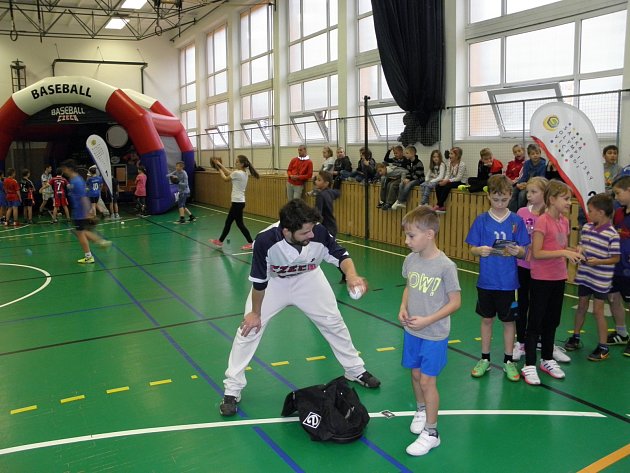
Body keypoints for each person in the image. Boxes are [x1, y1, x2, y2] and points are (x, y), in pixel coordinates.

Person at [219, 199, 381, 417]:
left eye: (312, 230)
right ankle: (232, 389)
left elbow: (341, 255)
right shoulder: (265, 242)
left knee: (333, 322)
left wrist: (351, 275)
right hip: (274, 283)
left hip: (308, 279)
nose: (311, 235)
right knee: (248, 330)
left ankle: (354, 370)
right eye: (305, 233)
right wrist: (255, 314)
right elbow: (259, 283)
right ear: (286, 230)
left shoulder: (319, 232)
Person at [399, 206, 461, 456]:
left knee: (427, 380)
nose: (406, 241)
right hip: (412, 331)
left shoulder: (446, 266)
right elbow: (408, 287)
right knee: (415, 375)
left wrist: (428, 320)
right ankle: (421, 410)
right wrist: (403, 307)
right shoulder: (411, 260)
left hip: (434, 334)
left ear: (430, 234)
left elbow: (455, 302)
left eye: (411, 236)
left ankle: (432, 432)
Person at [465, 175, 529, 382]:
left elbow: (524, 253)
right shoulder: (482, 220)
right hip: (486, 281)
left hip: (508, 283)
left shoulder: (516, 221)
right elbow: (472, 248)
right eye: (495, 199)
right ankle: (484, 359)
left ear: (511, 195)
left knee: (509, 322)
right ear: (489, 196)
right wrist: (479, 250)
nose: (500, 204)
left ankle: (509, 361)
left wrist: (517, 250)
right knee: (486, 319)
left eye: (504, 199)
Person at [521, 180, 583, 385]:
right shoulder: (542, 221)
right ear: (552, 199)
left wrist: (574, 250)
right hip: (541, 279)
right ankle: (529, 364)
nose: (570, 202)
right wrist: (564, 252)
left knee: (552, 321)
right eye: (566, 198)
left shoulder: (564, 221)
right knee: (536, 322)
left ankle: (547, 359)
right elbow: (537, 253)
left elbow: (559, 245)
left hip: (559, 277)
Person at [564, 193, 620, 361]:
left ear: (601, 212)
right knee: (581, 305)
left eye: (591, 210)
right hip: (586, 275)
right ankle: (575, 337)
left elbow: (615, 258)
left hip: (600, 279)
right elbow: (583, 244)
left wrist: (600, 262)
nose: (588, 213)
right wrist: (579, 249)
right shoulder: (587, 227)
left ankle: (603, 347)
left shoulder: (612, 235)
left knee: (597, 311)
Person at [513, 177, 548, 362]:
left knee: (539, 305)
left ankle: (538, 339)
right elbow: (517, 237)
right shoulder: (521, 211)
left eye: (534, 192)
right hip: (522, 266)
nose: (529, 195)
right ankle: (520, 342)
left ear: (544, 193)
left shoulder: (548, 215)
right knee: (522, 304)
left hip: (541, 268)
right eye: (528, 192)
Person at [59, 159, 111, 264]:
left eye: (64, 169)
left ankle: (89, 256)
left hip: (80, 212)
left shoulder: (77, 181)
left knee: (80, 233)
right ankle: (101, 242)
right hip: (78, 211)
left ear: (69, 169)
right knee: (82, 232)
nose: (63, 171)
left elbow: (83, 198)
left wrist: (88, 212)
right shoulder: (74, 180)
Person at [209, 155, 259, 250]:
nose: (235, 163)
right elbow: (230, 173)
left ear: (242, 164)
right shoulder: (243, 173)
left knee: (234, 223)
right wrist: (219, 164)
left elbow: (225, 178)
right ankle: (220, 241)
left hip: (237, 203)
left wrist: (219, 169)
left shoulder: (237, 173)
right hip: (239, 202)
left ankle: (251, 243)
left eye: (237, 162)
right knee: (236, 223)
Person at [607, 176, 630, 356]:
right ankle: (622, 333)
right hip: (617, 266)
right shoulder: (620, 213)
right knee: (613, 298)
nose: (616, 198)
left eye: (618, 193)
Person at [509, 143, 547, 212]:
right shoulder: (526, 163)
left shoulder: (543, 165)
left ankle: (522, 213)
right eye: (533, 154)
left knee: (522, 195)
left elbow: (541, 179)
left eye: (537, 153)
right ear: (529, 155)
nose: (535, 155)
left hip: (535, 186)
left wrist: (527, 185)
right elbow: (524, 176)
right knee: (513, 192)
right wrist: (519, 184)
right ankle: (513, 213)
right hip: (525, 184)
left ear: (540, 153)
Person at [434, 147, 467, 213]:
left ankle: (438, 204)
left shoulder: (462, 164)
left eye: (451, 154)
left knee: (447, 186)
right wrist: (444, 180)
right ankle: (441, 206)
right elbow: (448, 174)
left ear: (457, 156)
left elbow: (458, 178)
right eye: (449, 153)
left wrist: (447, 181)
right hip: (452, 180)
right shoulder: (449, 163)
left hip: (461, 182)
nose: (449, 155)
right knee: (438, 185)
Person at [391, 145, 425, 210]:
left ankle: (399, 201)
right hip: (412, 179)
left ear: (412, 154)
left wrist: (409, 180)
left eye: (407, 153)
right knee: (401, 183)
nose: (405, 155)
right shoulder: (409, 162)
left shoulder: (418, 163)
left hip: (419, 179)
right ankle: (402, 202)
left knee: (409, 184)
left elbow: (418, 175)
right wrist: (407, 179)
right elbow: (408, 172)